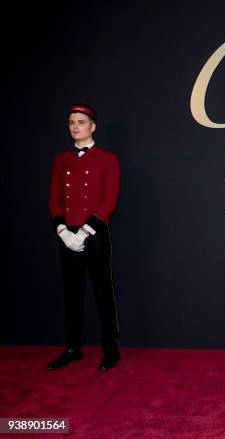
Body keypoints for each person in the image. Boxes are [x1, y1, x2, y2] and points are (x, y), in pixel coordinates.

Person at [46, 103, 121, 371]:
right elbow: (54, 199)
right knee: (71, 293)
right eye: (71, 123)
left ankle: (110, 348)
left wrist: (84, 231)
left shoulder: (107, 158)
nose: (75, 127)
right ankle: (72, 347)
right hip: (67, 235)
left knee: (103, 291)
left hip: (94, 234)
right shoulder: (60, 160)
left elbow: (109, 200)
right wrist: (63, 230)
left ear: (93, 126)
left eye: (80, 122)